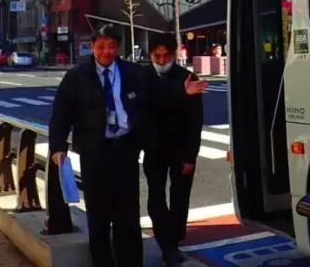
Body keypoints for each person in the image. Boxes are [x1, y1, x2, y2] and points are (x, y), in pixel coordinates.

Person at [48, 25, 207, 267]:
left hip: (126, 151)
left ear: (118, 47)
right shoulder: (77, 76)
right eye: (101, 46)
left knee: (128, 217)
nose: (106, 51)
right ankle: (103, 262)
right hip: (95, 153)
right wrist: (58, 147)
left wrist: (181, 91)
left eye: (111, 46)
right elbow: (61, 113)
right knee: (98, 217)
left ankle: (131, 262)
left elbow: (158, 93)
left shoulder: (133, 72)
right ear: (92, 47)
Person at [143, 33, 203, 266]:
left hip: (181, 148)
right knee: (155, 197)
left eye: (166, 55)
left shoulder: (187, 77)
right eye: (156, 55)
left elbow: (195, 121)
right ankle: (164, 240)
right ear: (150, 54)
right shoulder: (143, 77)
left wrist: (190, 156)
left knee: (180, 198)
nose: (161, 60)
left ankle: (174, 242)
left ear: (175, 53)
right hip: (153, 148)